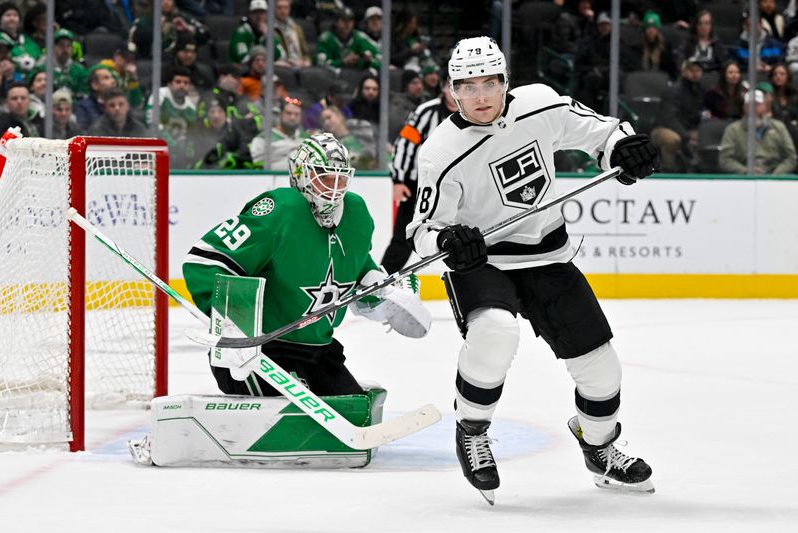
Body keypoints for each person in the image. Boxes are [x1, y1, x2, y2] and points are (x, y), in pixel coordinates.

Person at [406, 37, 659, 504]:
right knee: (496, 331)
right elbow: (422, 230)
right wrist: (446, 241)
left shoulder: (541, 104)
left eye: (490, 82)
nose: (481, 96)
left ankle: (599, 446)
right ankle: (472, 429)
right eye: (468, 85)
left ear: (506, 82)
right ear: (452, 91)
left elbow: (603, 133)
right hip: (483, 263)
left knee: (602, 372)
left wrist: (625, 150)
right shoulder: (440, 151)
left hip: (547, 256)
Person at [183, 133, 430, 399]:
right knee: (294, 418)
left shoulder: (356, 212)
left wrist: (379, 290)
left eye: (341, 177)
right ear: (301, 174)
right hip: (262, 350)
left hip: (320, 349)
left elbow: (357, 266)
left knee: (352, 413)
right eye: (324, 177)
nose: (334, 188)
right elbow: (205, 260)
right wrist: (230, 321)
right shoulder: (281, 210)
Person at [380, 66, 456, 275]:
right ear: (442, 88)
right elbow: (405, 144)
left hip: (461, 187)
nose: (455, 91)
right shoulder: (426, 112)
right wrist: (399, 180)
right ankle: (381, 282)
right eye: (450, 85)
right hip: (419, 186)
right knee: (404, 238)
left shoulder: (474, 114)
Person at [719, 89, 797, 174]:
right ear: (744, 108)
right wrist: (745, 171)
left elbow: (791, 157)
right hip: (744, 179)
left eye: (757, 104)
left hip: (775, 177)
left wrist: (776, 175)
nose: (754, 108)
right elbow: (725, 160)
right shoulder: (732, 130)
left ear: (765, 106)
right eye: (750, 105)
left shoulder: (779, 127)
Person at [650, 59, 705, 172]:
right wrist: (686, 137)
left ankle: (699, 171)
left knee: (705, 136)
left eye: (698, 70)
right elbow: (669, 118)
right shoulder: (673, 91)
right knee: (673, 139)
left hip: (687, 129)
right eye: (691, 70)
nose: (695, 73)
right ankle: (668, 171)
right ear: (684, 71)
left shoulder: (700, 91)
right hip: (663, 128)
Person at [250, 96, 308, 169]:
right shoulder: (263, 139)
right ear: (280, 114)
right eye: (288, 113)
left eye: (296, 114)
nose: (292, 117)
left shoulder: (307, 139)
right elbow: (257, 165)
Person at [676, 9, 727, 74]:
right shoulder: (688, 42)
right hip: (691, 75)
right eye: (700, 23)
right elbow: (680, 61)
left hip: (712, 76)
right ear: (696, 26)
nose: (703, 27)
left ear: (711, 25)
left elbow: (724, 64)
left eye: (707, 23)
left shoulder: (717, 43)